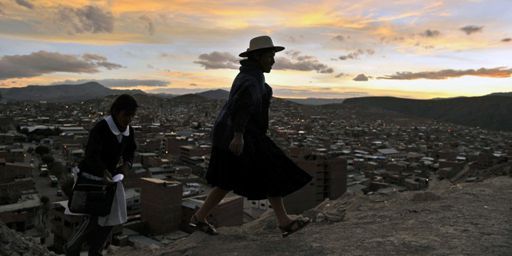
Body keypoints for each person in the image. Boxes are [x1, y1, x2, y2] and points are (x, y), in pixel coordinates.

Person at [190, 35, 313, 238]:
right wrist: (238, 136)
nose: (273, 61)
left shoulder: (251, 76)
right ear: (258, 57)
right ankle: (284, 222)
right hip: (240, 134)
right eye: (270, 56)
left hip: (234, 133)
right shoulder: (251, 79)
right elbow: (242, 106)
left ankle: (199, 217)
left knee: (228, 179)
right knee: (272, 168)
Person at [65, 94, 137, 256]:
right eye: (127, 115)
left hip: (110, 179)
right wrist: (102, 171)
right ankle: (72, 247)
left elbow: (130, 150)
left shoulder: (128, 130)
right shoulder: (101, 128)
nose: (129, 119)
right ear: (117, 112)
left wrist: (127, 165)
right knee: (94, 217)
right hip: (92, 178)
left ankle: (94, 250)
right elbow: (91, 155)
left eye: (132, 115)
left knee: (112, 216)